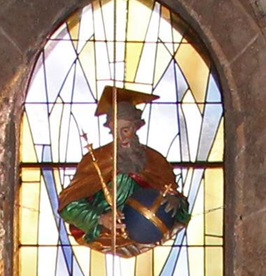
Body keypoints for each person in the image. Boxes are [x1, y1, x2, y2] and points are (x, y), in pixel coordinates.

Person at [58, 86, 194, 257]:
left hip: (147, 232)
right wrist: (100, 218)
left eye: (126, 130)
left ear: (136, 127)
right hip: (104, 237)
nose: (122, 138)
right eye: (116, 132)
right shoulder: (96, 160)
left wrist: (174, 202)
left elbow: (176, 200)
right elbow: (68, 205)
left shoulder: (155, 160)